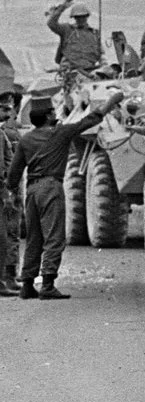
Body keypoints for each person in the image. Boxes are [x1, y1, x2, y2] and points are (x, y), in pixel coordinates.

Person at [8, 90, 124, 299]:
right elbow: (91, 119)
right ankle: (47, 284)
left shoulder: (26, 139)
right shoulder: (60, 133)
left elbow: (14, 174)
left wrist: (12, 191)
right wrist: (113, 101)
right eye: (53, 112)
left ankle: (27, 284)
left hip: (32, 190)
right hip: (51, 187)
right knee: (54, 237)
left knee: (34, 238)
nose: (56, 114)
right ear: (48, 116)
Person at [46, 0, 103, 73]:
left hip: (89, 70)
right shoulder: (67, 29)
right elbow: (51, 24)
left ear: (87, 16)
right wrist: (62, 8)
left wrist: (104, 67)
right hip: (70, 70)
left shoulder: (94, 33)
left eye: (83, 16)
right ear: (74, 18)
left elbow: (101, 53)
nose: (81, 19)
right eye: (77, 17)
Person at [0, 85, 21, 295]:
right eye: (5, 109)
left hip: (9, 188)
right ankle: (7, 278)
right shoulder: (7, 133)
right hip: (7, 190)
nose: (8, 113)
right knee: (8, 234)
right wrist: (7, 193)